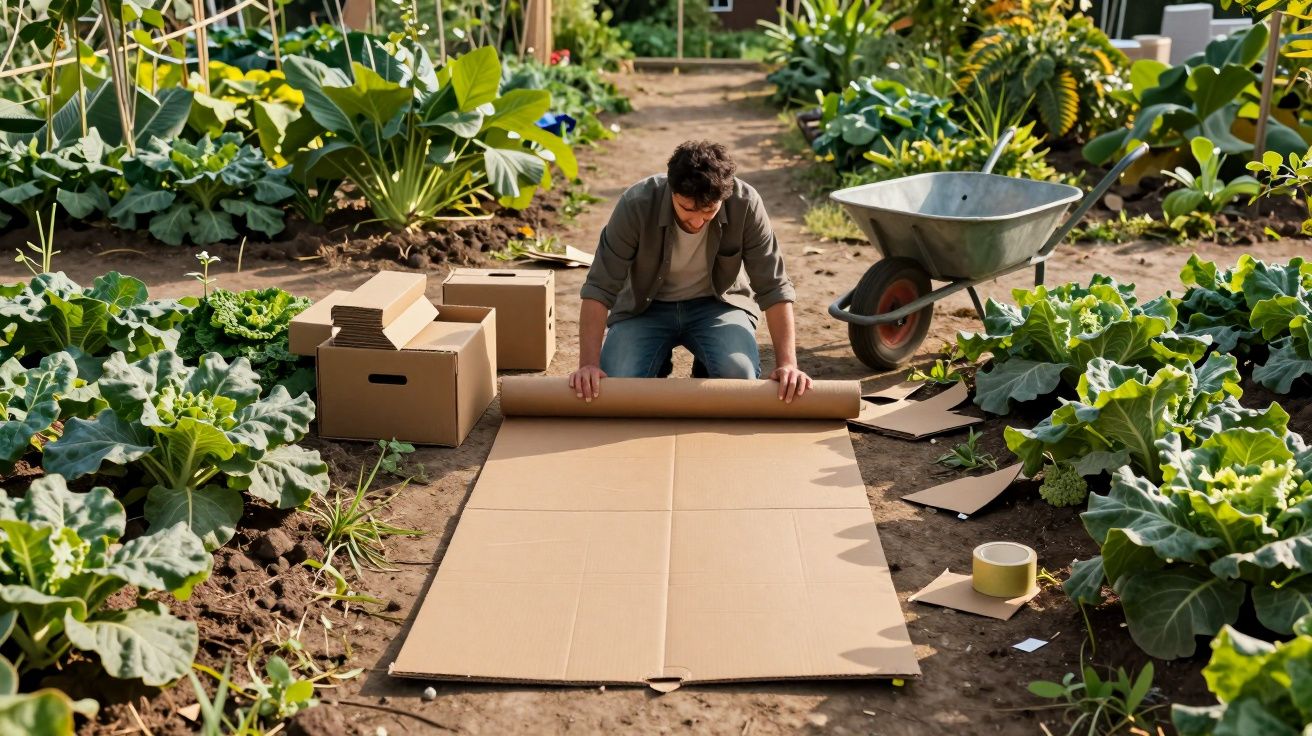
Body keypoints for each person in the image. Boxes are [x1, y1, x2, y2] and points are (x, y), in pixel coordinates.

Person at [568, 140, 813, 402]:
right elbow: (599, 286)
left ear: (724, 196)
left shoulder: (746, 204)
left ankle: (707, 366)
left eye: (709, 211)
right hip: (645, 309)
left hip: (719, 306)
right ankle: (656, 362)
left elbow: (773, 286)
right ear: (671, 190)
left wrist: (788, 364)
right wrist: (588, 365)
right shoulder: (637, 203)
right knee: (617, 381)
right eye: (687, 209)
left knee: (739, 376)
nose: (697, 221)